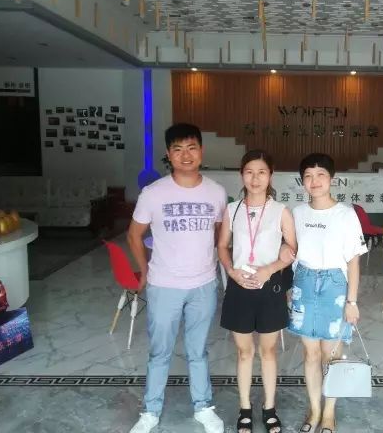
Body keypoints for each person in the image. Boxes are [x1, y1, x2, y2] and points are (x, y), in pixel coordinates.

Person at [127, 123, 225, 433]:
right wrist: (145, 270)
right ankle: (150, 411)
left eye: (191, 148)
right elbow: (134, 235)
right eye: (178, 149)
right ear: (168, 154)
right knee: (160, 352)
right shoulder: (153, 193)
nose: (185, 155)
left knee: (198, 351)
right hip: (164, 286)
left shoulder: (216, 192)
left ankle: (203, 407)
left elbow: (220, 235)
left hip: (203, 285)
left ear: (201, 151)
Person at [286, 153, 367, 433]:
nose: (314, 181)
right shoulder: (297, 213)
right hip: (304, 283)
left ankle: (329, 412)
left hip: (335, 286)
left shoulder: (345, 214)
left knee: (331, 355)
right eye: (308, 176)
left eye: (321, 175)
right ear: (302, 181)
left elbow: (353, 260)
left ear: (332, 179)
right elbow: (291, 252)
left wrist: (352, 301)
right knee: (310, 354)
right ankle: (315, 409)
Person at [217, 149, 297, 433]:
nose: (255, 178)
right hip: (239, 288)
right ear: (242, 175)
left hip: (269, 288)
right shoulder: (232, 210)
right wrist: (231, 271)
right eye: (249, 172)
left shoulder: (281, 211)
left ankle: (269, 408)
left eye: (261, 172)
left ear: (270, 176)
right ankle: (245, 409)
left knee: (269, 351)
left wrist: (269, 268)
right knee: (243, 352)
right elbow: (222, 246)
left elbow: (292, 249)